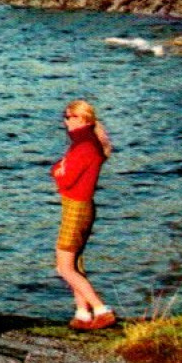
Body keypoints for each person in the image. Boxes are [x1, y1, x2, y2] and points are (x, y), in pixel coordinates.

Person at [50, 99, 116, 330]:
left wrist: (58, 170)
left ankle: (100, 309)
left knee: (64, 267)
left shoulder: (84, 146)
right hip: (78, 207)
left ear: (83, 119)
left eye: (69, 117)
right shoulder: (84, 143)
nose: (65, 121)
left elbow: (65, 178)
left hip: (76, 209)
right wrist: (60, 168)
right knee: (74, 263)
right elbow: (63, 170)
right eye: (65, 116)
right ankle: (82, 313)